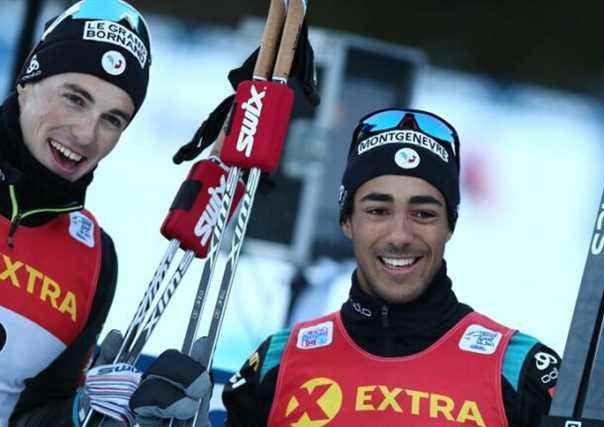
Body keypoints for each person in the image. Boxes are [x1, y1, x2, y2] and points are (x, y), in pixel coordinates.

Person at [222, 108, 560, 426]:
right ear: (347, 221)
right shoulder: (278, 363)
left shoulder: (519, 372)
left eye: (423, 214)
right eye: (378, 211)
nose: (400, 236)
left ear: (450, 227)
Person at [1, 1, 210, 426]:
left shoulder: (95, 259)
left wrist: (83, 413)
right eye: (74, 99)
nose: (86, 135)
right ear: (28, 80)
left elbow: (33, 414)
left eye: (112, 120)